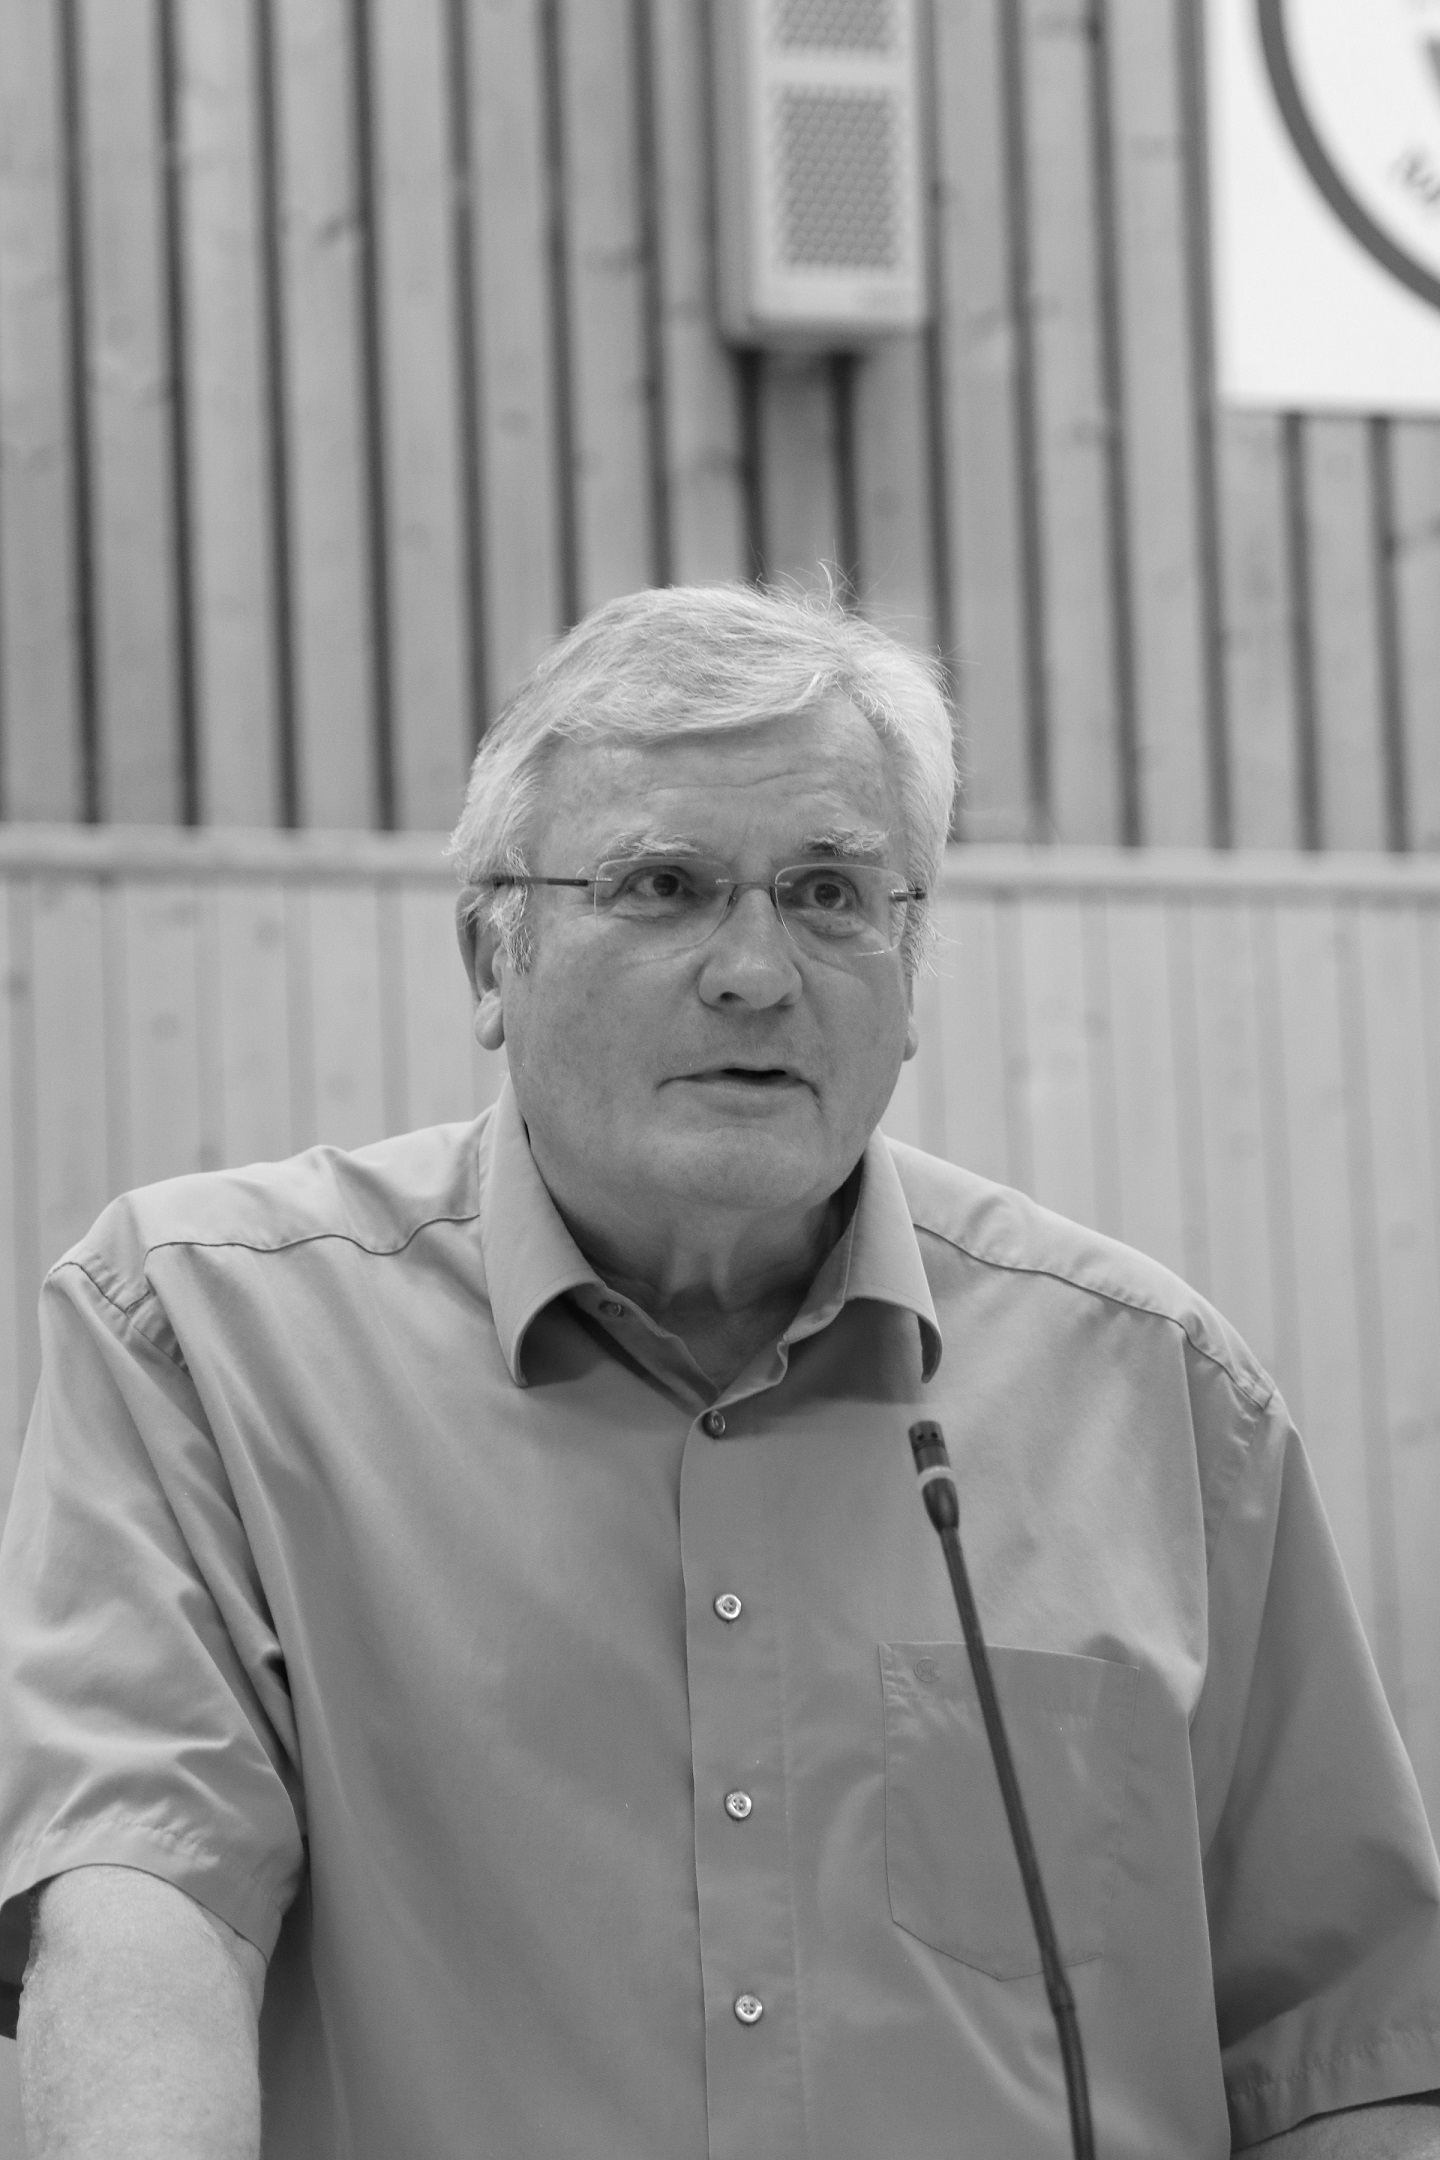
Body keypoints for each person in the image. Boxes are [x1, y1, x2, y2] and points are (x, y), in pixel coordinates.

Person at [1, 583, 1439, 2160]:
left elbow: (1341, 2056)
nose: (756, 970)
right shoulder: (202, 1339)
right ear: (491, 955)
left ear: (909, 965)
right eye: (663, 886)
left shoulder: (1161, 1399)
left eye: (830, 893)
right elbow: (145, 1903)